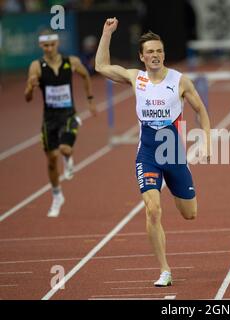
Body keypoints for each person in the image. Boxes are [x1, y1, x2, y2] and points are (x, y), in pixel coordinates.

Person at [95, 18, 211, 287]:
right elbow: (100, 66)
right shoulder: (136, 78)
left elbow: (201, 111)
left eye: (159, 50)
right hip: (147, 154)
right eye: (150, 51)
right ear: (142, 56)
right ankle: (165, 270)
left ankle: (178, 182)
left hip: (173, 155)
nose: (155, 55)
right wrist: (106, 33)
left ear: (163, 54)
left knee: (189, 214)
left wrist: (206, 141)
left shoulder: (180, 81)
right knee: (153, 210)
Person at [24, 29, 97, 217]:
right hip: (49, 119)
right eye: (45, 45)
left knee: (65, 149)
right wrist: (31, 87)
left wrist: (90, 99)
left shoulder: (70, 62)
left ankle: (68, 156)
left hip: (69, 114)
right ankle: (57, 195)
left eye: (52, 45)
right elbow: (27, 98)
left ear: (57, 44)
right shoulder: (36, 67)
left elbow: (86, 75)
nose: (49, 48)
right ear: (41, 46)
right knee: (51, 160)